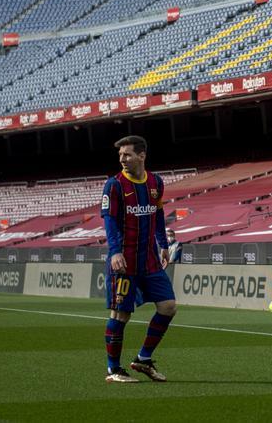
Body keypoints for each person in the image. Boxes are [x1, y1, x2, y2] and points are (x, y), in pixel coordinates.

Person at [101, 135, 176, 383]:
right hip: (124, 261)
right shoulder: (114, 185)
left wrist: (163, 244)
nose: (122, 159)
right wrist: (115, 252)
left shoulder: (155, 182)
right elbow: (109, 221)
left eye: (127, 155)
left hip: (150, 260)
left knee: (168, 307)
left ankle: (143, 359)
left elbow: (158, 213)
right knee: (120, 315)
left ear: (141, 156)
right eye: (120, 155)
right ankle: (113, 370)